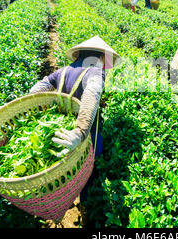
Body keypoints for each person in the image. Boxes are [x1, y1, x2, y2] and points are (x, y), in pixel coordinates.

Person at [29, 36, 120, 202]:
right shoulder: (95, 72)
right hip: (85, 136)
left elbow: (34, 91)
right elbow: (93, 92)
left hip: (62, 132)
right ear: (99, 58)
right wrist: (80, 131)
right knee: (88, 169)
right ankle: (85, 200)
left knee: (66, 168)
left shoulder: (61, 71)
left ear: (78, 55)